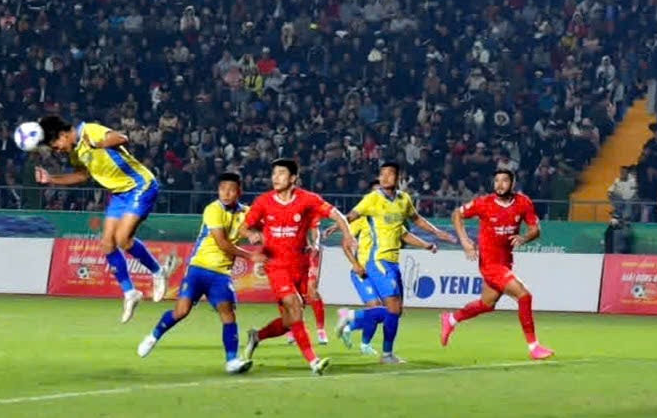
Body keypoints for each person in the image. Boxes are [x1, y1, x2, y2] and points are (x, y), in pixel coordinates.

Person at [32, 113, 167, 322]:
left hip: (140, 185)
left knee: (123, 239)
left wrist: (99, 143)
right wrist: (51, 179)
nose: (57, 150)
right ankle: (130, 293)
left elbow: (122, 138)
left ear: (62, 135)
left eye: (56, 145)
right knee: (107, 244)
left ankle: (158, 271)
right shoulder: (75, 152)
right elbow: (82, 175)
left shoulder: (89, 131)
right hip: (119, 194)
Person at [242, 158, 362, 374]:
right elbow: (244, 227)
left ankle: (257, 336)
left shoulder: (307, 199)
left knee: (290, 320)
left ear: (293, 178)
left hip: (300, 266)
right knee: (295, 306)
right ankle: (314, 361)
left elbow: (336, 214)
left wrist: (347, 235)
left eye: (281, 173)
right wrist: (251, 235)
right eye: (274, 173)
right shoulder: (263, 202)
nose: (275, 177)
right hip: (276, 266)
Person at [137, 172, 253, 373]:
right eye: (222, 189)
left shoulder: (246, 212)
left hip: (221, 273)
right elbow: (222, 243)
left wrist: (258, 235)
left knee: (228, 313)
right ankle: (153, 336)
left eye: (231, 190)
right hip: (199, 268)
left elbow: (253, 228)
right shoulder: (213, 209)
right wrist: (251, 256)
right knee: (181, 311)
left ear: (239, 192)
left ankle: (232, 361)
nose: (226, 193)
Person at [438, 168, 555, 360]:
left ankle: (451, 319)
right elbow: (456, 214)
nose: (499, 185)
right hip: (490, 264)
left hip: (505, 262)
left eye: (504, 181)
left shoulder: (523, 202)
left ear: (512, 183)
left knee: (487, 304)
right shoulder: (484, 203)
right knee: (524, 295)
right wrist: (464, 240)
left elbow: (536, 229)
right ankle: (534, 347)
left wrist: (524, 238)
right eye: (497, 181)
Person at [349, 160, 454, 364]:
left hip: (393, 262)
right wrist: (338, 226)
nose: (384, 177)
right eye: (382, 174)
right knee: (393, 308)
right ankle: (382, 350)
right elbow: (351, 216)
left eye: (389, 174)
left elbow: (416, 220)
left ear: (398, 178)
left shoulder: (403, 199)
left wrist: (435, 234)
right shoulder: (372, 199)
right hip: (378, 260)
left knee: (396, 311)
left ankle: (359, 325)